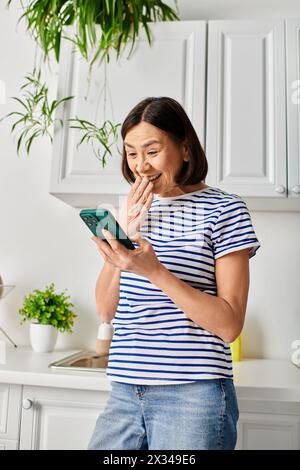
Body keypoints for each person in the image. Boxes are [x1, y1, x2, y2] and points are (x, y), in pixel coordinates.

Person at [87, 96, 261, 450]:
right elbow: (106, 311)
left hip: (193, 395)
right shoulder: (131, 209)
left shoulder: (225, 210)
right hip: (124, 391)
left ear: (184, 149)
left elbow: (229, 325)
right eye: (131, 153)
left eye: (151, 151)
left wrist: (155, 271)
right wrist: (121, 242)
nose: (140, 165)